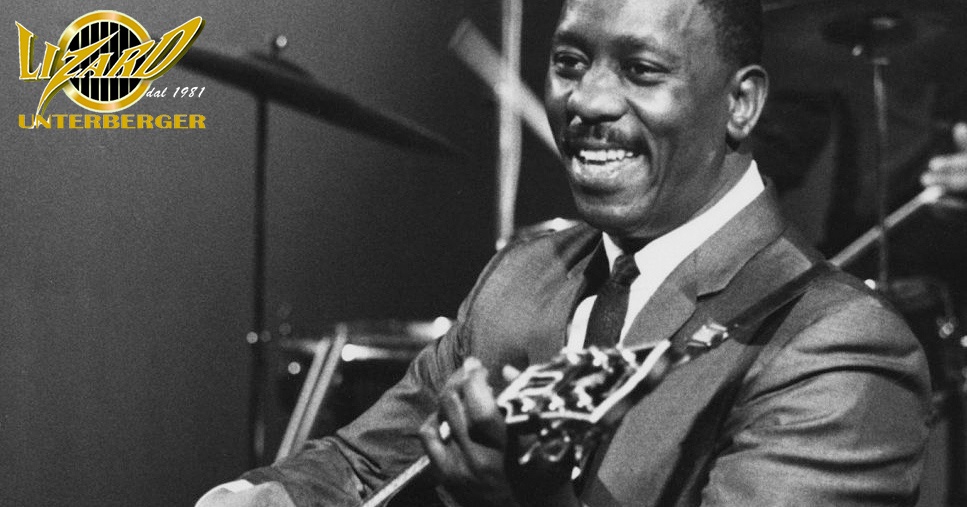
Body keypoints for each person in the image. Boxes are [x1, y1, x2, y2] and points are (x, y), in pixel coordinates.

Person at [198, 0, 931, 505]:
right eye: (570, 62)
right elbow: (364, 462)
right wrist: (265, 493)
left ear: (740, 104)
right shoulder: (523, 276)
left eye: (641, 70)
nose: (587, 101)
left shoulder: (838, 347)